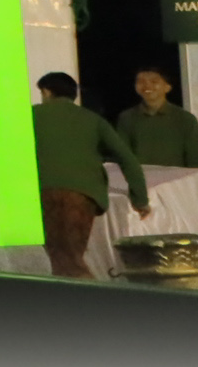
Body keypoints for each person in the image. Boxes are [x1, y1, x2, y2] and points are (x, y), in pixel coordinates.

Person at [32, 71, 149, 281]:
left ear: (46, 92)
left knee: (62, 258)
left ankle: (89, 297)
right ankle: (82, 295)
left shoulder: (30, 115)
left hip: (42, 192)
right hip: (83, 195)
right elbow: (127, 159)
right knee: (71, 256)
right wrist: (140, 199)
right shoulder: (93, 120)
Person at [117, 70, 198, 177]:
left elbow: (195, 161)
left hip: (176, 181)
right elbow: (122, 156)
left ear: (168, 87)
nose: (147, 85)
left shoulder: (185, 119)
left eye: (154, 81)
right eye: (141, 81)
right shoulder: (127, 118)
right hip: (139, 180)